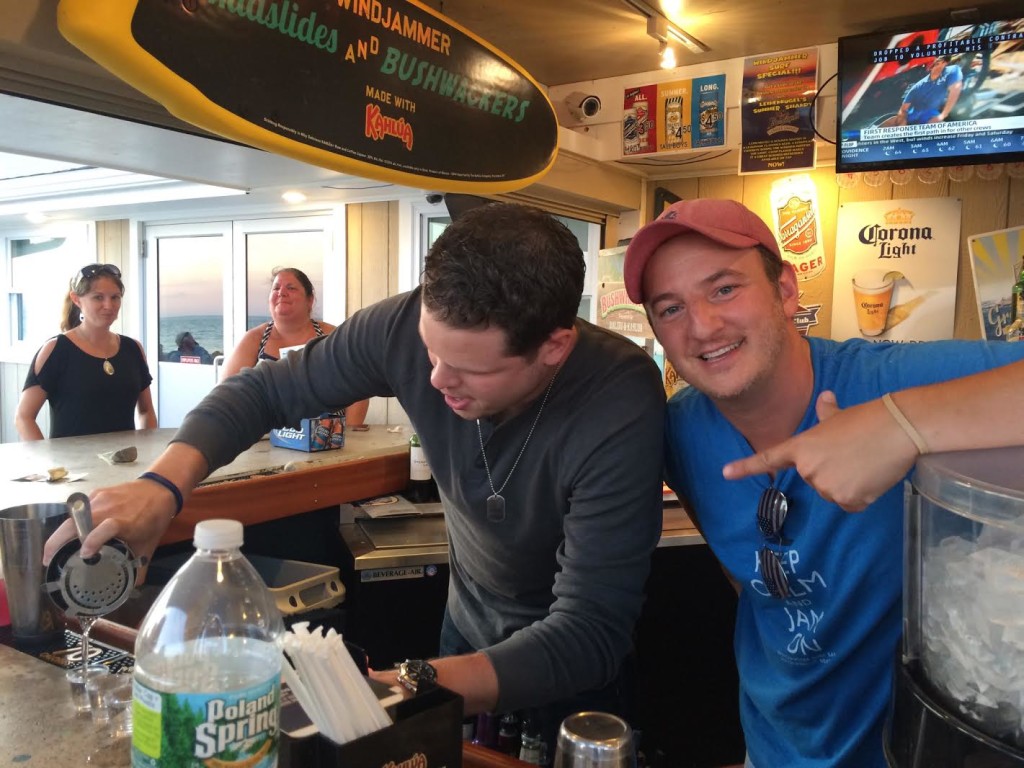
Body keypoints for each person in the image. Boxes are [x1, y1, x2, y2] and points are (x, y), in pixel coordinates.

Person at [44, 203, 666, 751]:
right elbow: (262, 392)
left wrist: (400, 685)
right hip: (462, 634)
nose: (434, 381)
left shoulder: (618, 397)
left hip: (569, 682)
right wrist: (163, 486)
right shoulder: (401, 329)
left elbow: (590, 629)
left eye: (470, 370)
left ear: (554, 347)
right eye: (431, 352)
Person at [622, 198, 1024, 768]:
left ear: (786, 290)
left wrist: (900, 425)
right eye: (670, 308)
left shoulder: (888, 379)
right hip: (770, 747)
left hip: (906, 751)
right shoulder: (677, 433)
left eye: (724, 289)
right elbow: (748, 582)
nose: (702, 326)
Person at [15, 263, 158, 440]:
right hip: (72, 466)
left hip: (125, 463)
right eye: (98, 297)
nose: (109, 305)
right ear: (76, 299)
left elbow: (146, 411)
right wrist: (48, 463)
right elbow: (24, 417)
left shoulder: (133, 349)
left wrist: (147, 451)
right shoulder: (56, 350)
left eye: (115, 297)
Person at [220, 266, 369, 428]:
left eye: (290, 288)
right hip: (266, 440)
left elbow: (359, 389)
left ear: (309, 300)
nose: (281, 293)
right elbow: (226, 392)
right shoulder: (254, 339)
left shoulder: (331, 336)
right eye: (276, 288)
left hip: (326, 440)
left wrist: (350, 436)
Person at [883, 55, 963, 126]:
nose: (937, 64)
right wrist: (902, 122)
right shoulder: (918, 86)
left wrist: (942, 115)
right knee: (892, 121)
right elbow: (903, 109)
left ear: (945, 63)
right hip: (911, 117)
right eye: (936, 62)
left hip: (931, 117)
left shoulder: (952, 71)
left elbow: (955, 89)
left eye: (941, 62)